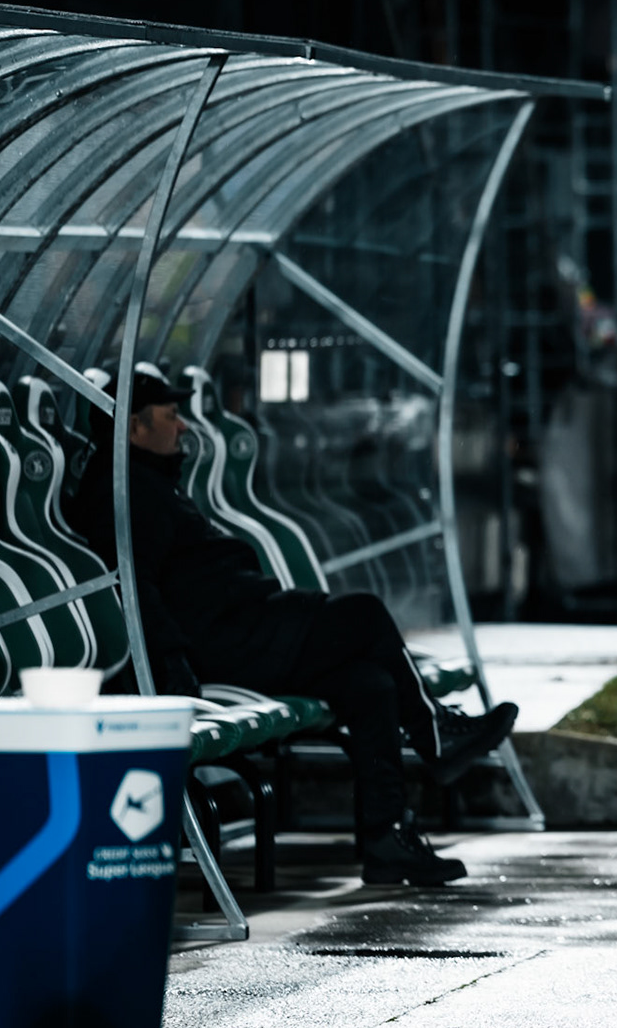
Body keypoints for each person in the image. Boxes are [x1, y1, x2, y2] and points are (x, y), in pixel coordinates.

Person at [66, 370, 518, 888]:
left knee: (369, 684)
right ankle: (434, 733)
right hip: (225, 641)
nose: (185, 427)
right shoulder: (122, 494)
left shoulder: (144, 483)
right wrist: (170, 660)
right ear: (132, 429)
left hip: (242, 627)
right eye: (171, 416)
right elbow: (135, 587)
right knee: (363, 614)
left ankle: (387, 838)